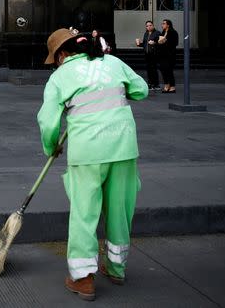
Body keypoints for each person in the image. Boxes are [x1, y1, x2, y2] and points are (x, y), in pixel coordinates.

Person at [37, 28, 148, 301]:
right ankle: (116, 268)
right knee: (120, 210)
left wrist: (52, 146)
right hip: (123, 148)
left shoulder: (60, 76)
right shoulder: (112, 62)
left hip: (87, 153)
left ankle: (83, 279)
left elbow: (48, 121)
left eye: (56, 59)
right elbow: (141, 90)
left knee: (85, 214)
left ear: (62, 54)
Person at [136, 20, 161, 90]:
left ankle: (156, 85)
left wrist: (155, 43)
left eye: (150, 25)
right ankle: (150, 84)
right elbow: (144, 44)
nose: (149, 27)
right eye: (147, 26)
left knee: (154, 69)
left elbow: (161, 43)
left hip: (154, 54)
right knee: (149, 69)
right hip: (147, 54)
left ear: (153, 26)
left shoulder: (157, 33)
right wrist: (139, 44)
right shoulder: (146, 34)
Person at [157, 19, 179, 93]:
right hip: (162, 55)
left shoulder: (173, 32)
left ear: (168, 25)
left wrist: (165, 42)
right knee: (163, 70)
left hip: (170, 55)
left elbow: (175, 43)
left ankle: (172, 87)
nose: (162, 25)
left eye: (164, 23)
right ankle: (167, 85)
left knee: (169, 71)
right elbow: (159, 42)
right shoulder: (163, 32)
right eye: (162, 23)